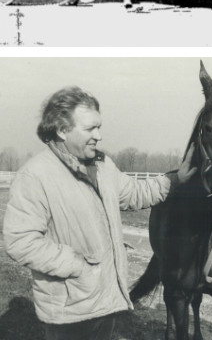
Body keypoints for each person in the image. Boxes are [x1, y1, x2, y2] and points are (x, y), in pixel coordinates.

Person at [2, 86, 196, 340]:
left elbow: (136, 191)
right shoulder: (35, 176)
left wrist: (175, 180)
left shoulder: (103, 166)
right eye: (90, 128)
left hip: (106, 304)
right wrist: (78, 264)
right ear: (62, 130)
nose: (99, 136)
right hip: (69, 312)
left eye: (99, 127)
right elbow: (20, 241)